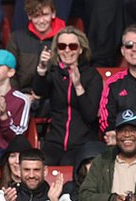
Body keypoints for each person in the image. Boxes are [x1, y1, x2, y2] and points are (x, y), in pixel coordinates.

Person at [31, 26, 101, 166]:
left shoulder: (92, 75)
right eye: (62, 46)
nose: (67, 50)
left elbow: (90, 115)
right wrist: (42, 69)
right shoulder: (54, 73)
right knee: (42, 164)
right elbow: (39, 92)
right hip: (55, 141)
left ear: (81, 50)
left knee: (68, 163)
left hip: (82, 142)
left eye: (73, 46)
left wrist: (78, 86)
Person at [9, 0, 65, 92]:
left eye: (45, 15)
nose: (41, 21)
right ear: (29, 16)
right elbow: (9, 71)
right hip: (21, 95)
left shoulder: (63, 39)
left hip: (52, 97)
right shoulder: (17, 38)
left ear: (53, 14)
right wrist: (18, 98)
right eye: (36, 16)